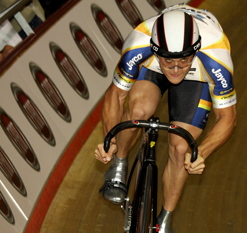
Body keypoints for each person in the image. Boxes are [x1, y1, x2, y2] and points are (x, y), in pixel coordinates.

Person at [94, 4, 237, 233]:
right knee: (139, 112)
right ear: (155, 48)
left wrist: (202, 152)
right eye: (169, 60)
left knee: (182, 148)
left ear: (196, 49)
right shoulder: (138, 43)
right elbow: (116, 95)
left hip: (197, 78)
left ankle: (165, 220)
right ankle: (119, 164)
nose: (177, 68)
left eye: (183, 60)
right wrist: (110, 137)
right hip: (151, 68)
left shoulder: (215, 56)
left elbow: (227, 117)